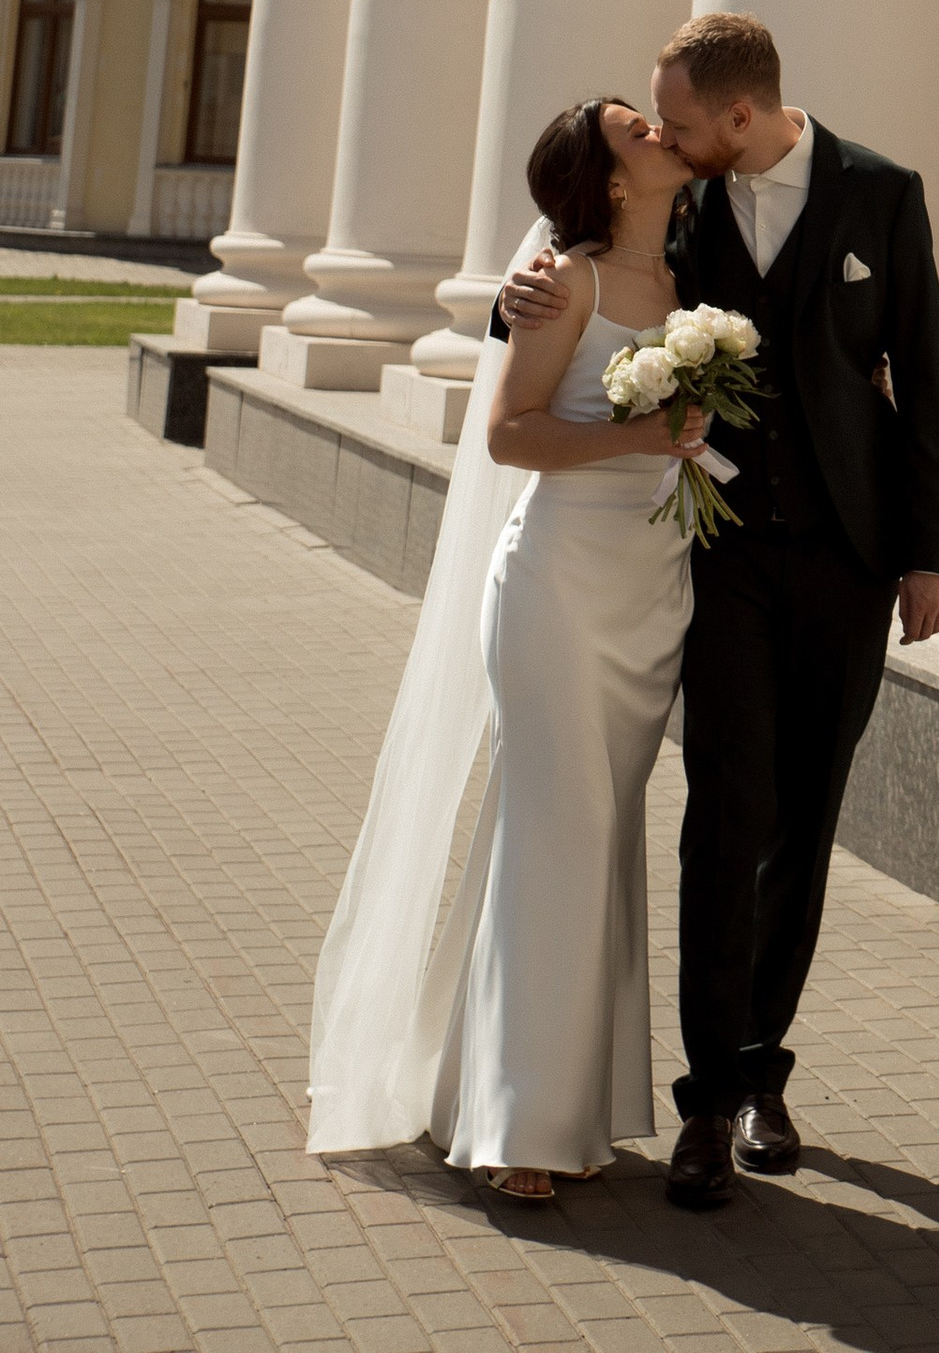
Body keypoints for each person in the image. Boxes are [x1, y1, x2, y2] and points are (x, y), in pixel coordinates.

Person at [498, 10, 939, 1211]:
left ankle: (763, 1071)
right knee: (726, 810)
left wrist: (931, 555)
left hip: (852, 557)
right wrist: (512, 294)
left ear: (741, 115)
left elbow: (922, 373)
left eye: (680, 118)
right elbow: (590, 261)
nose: (665, 136)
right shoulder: (682, 201)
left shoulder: (883, 195)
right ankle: (706, 1102)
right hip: (719, 554)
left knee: (805, 815)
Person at [307, 97, 707, 1198]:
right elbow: (508, 433)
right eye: (634, 129)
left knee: (592, 838)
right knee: (553, 837)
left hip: (650, 595)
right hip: (558, 586)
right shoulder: (561, 282)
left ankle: (525, 1096)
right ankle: (517, 1128)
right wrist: (645, 433)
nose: (659, 131)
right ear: (609, 178)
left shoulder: (691, 280)